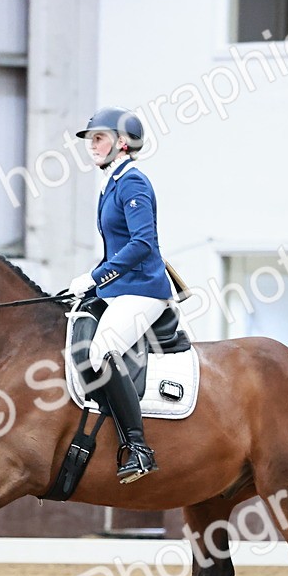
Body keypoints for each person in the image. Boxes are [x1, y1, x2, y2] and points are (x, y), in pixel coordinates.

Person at [68, 106, 173, 484]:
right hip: (120, 286)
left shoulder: (132, 183)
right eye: (91, 140)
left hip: (143, 289)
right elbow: (115, 247)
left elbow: (143, 244)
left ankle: (139, 448)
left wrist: (97, 277)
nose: (92, 146)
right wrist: (90, 281)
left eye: (99, 138)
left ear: (123, 143)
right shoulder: (111, 184)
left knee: (102, 352)